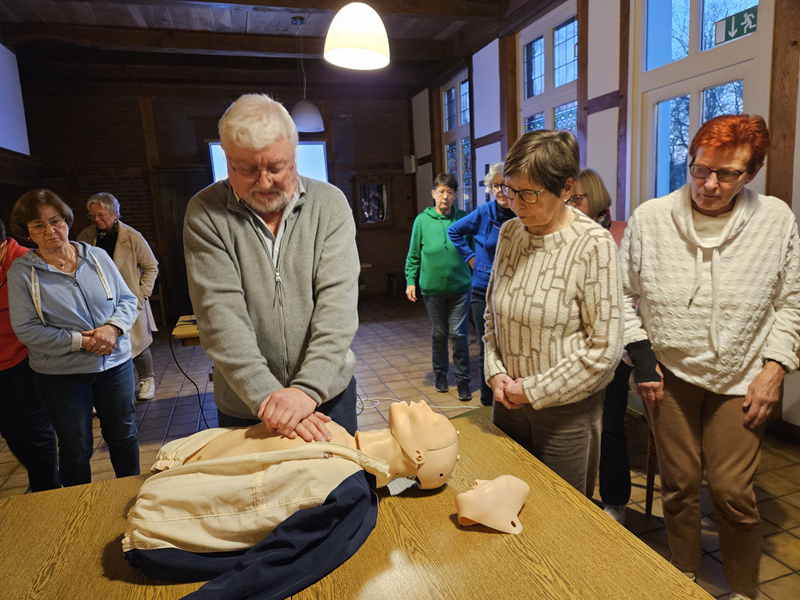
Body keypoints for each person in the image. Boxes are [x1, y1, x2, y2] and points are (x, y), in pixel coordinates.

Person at [619, 114, 800, 600]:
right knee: (678, 483)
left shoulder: (775, 219)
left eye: (727, 174)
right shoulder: (651, 218)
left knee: (731, 491)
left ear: (751, 173)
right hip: (669, 372)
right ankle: (684, 576)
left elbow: (792, 299)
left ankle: (743, 588)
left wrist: (775, 367)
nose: (710, 184)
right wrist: (640, 358)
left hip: (743, 374)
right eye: (700, 170)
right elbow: (619, 295)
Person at [122, 400, 459, 599]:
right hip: (167, 491)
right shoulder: (333, 433)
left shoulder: (349, 492)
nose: (424, 404)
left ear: (418, 456)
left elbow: (287, 560)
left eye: (433, 419)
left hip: (162, 532)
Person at [184, 94, 360, 439]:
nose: (264, 182)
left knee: (341, 490)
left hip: (327, 395)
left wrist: (307, 390)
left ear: (294, 155)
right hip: (249, 404)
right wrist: (269, 398)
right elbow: (220, 318)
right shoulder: (205, 213)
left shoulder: (330, 205)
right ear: (226, 158)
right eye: (247, 169)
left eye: (276, 167)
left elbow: (337, 308)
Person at [484, 130, 623, 497]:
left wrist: (532, 389)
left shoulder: (593, 244)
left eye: (529, 194)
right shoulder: (511, 233)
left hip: (565, 414)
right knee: (503, 506)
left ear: (566, 188)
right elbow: (491, 315)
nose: (516, 204)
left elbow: (604, 352)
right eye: (510, 191)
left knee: (560, 517)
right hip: (507, 402)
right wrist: (494, 370)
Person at [7, 189, 140, 487]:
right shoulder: (22, 272)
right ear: (27, 231)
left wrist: (113, 329)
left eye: (56, 221)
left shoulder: (97, 257)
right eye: (38, 225)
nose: (50, 231)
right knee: (76, 447)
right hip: (61, 375)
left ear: (66, 220)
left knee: (124, 435)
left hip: (114, 365)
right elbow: (27, 329)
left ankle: (134, 497)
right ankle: (78, 515)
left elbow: (127, 301)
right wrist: (81, 341)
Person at [568, 168, 633, 525]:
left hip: (612, 350)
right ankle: (575, 497)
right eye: (568, 198)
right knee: (577, 430)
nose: (572, 205)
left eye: (578, 197)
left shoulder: (620, 233)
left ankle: (616, 501)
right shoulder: (566, 235)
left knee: (609, 429)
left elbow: (630, 295)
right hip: (573, 350)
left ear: (595, 197)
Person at [77, 192, 160, 401]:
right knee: (106, 345)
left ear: (115, 214)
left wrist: (142, 294)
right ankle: (114, 390)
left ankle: (147, 380)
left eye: (101, 214)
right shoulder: (85, 237)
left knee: (138, 344)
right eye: (92, 215)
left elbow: (151, 266)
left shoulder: (131, 236)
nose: (96, 219)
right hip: (99, 301)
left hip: (130, 299)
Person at [448, 163, 516, 406]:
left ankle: (510, 396)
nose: (500, 190)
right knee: (488, 346)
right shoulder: (484, 212)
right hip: (482, 290)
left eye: (504, 185)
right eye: (495, 186)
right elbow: (454, 231)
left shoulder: (523, 214)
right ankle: (488, 402)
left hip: (512, 291)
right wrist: (470, 257)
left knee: (510, 346)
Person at [0, 219, 60, 492]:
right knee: (11, 431)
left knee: (36, 430)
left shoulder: (25, 262)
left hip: (24, 360)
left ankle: (47, 490)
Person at [405, 173, 473, 401]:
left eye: (450, 192)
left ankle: (464, 381)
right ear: (434, 194)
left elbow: (473, 252)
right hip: (432, 288)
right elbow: (414, 255)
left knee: (459, 333)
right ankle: (441, 375)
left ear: (455, 196)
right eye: (441, 191)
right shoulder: (421, 221)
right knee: (440, 333)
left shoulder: (464, 218)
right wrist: (410, 281)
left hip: (461, 287)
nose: (445, 196)